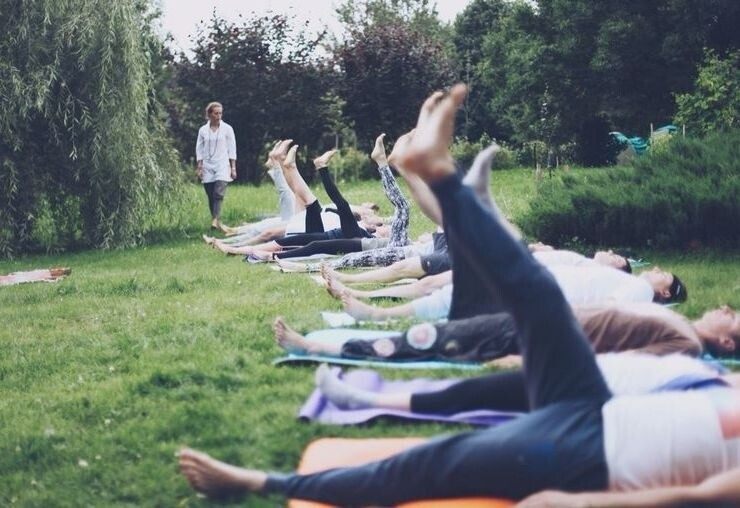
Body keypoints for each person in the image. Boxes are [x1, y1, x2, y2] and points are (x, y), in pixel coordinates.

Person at [179, 85, 740, 506]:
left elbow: (701, 495)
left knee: (431, 464)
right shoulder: (714, 374)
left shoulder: (677, 337)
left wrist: (588, 503)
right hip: (595, 399)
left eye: (732, 319)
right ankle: (437, 172)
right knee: (538, 291)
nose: (726, 310)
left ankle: (260, 481)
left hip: (594, 450)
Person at [273, 302, 739, 363]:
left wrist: (526, 362)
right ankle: (326, 346)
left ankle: (315, 347)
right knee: (436, 333)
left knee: (431, 342)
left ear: (727, 342)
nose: (726, 308)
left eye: (733, 317)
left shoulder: (685, 344)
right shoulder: (680, 321)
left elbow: (615, 364)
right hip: (536, 319)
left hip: (534, 340)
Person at [196, 102, 237, 230]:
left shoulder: (227, 129)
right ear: (209, 114)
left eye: (220, 113)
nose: (219, 116)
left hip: (222, 164)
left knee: (218, 192)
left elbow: (232, 148)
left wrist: (233, 167)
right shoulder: (203, 130)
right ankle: (216, 220)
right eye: (216, 113)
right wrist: (200, 166)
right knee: (210, 194)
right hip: (207, 165)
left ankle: (215, 220)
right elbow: (199, 149)